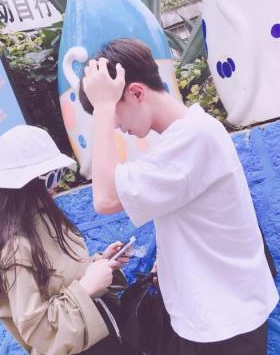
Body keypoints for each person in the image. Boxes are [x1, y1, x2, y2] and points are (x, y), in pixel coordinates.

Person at [78, 38, 279, 355]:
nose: (115, 125)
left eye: (115, 112)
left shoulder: (191, 139)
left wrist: (102, 107)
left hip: (222, 324)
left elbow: (105, 199)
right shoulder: (190, 133)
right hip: (220, 314)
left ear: (137, 93)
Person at [0, 125, 135, 355]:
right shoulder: (15, 247)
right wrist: (86, 288)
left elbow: (65, 281)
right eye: (51, 176)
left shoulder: (51, 220)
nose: (56, 183)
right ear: (25, 184)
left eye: (58, 173)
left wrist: (101, 263)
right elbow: (37, 330)